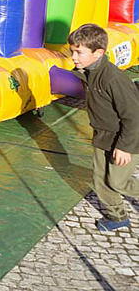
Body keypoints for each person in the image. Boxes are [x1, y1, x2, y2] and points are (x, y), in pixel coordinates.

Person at [69, 24, 139, 231]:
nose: (73, 57)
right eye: (72, 51)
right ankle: (117, 216)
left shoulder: (113, 79)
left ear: (98, 53)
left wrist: (124, 147)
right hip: (103, 135)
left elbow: (134, 116)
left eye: (79, 52)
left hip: (126, 137)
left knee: (118, 181)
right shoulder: (88, 72)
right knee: (100, 179)